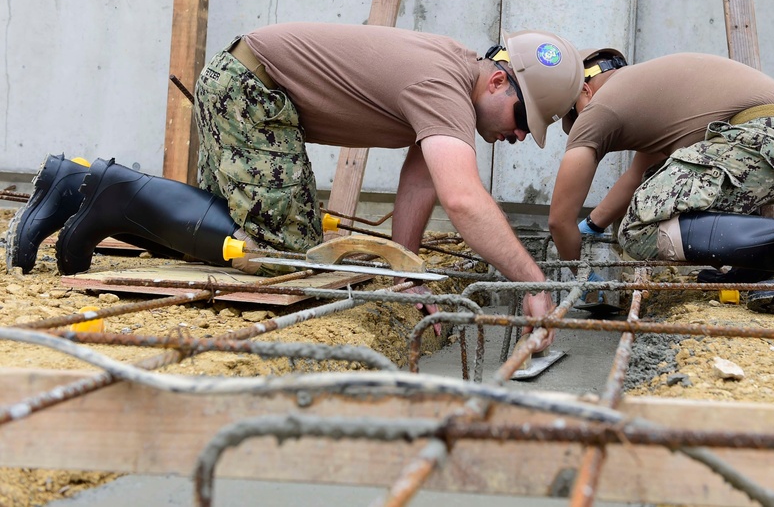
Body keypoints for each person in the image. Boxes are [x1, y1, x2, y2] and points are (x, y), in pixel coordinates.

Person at [7, 24, 584, 342]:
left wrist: (407, 271)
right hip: (253, 92)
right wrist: (530, 282)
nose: (514, 137)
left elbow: (422, 176)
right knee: (282, 257)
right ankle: (102, 190)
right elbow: (462, 198)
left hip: (247, 83)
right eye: (519, 121)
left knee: (223, 234)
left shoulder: (453, 75)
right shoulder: (444, 83)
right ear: (499, 81)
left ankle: (75, 185)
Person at [548, 48, 774, 314]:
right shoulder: (644, 91)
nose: (579, 125)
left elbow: (559, 220)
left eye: (574, 116)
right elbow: (637, 178)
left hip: (771, 140)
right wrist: (593, 227)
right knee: (658, 189)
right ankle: (759, 265)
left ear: (585, 91)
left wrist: (579, 274)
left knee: (636, 230)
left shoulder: (601, 105)